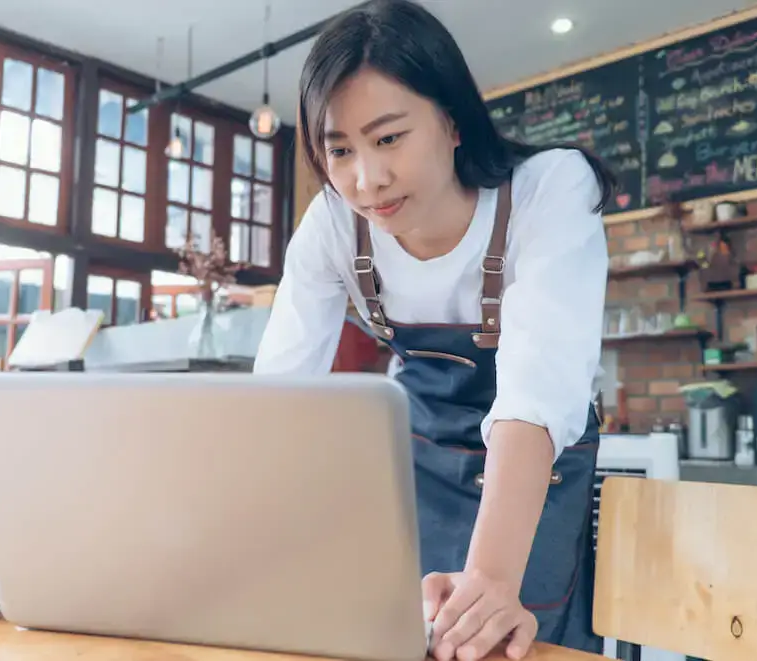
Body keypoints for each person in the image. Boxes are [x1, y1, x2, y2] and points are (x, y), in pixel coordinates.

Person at [252, 1, 614, 660]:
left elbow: (535, 388)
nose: (367, 180)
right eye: (339, 150)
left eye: (388, 138)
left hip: (535, 475)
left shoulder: (549, 190)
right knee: (402, 635)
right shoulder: (333, 226)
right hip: (415, 462)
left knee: (502, 641)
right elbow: (274, 403)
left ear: (450, 120)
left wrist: (491, 579)